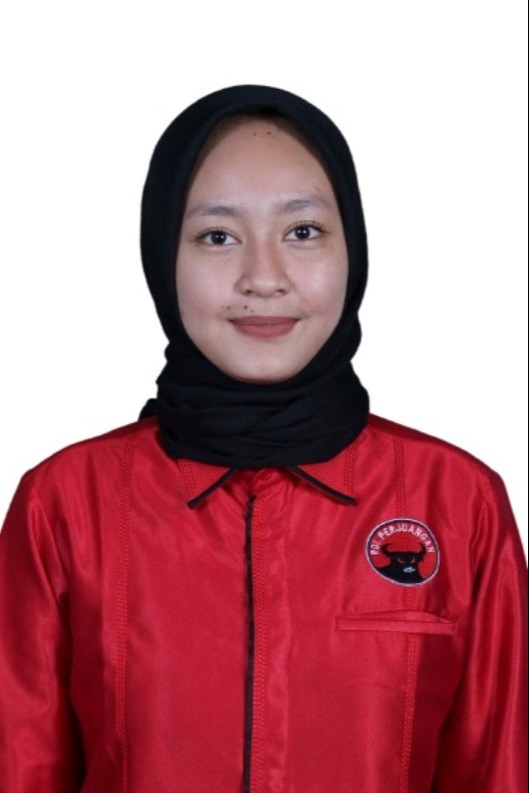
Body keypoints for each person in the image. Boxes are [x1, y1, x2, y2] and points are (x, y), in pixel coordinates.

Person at [0, 85, 526, 793]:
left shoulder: (457, 501)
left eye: (302, 231)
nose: (264, 278)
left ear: (353, 249)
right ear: (161, 257)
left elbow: (500, 770)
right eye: (217, 236)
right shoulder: (64, 504)